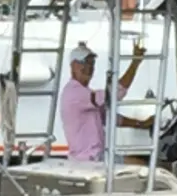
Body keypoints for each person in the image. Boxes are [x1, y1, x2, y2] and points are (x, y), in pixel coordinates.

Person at [59, 34, 145, 165]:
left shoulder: (85, 94)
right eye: (85, 63)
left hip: (97, 156)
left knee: (137, 162)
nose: (89, 68)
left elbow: (109, 117)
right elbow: (115, 94)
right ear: (73, 66)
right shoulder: (74, 92)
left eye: (92, 64)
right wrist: (135, 63)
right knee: (144, 167)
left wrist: (141, 124)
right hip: (90, 159)